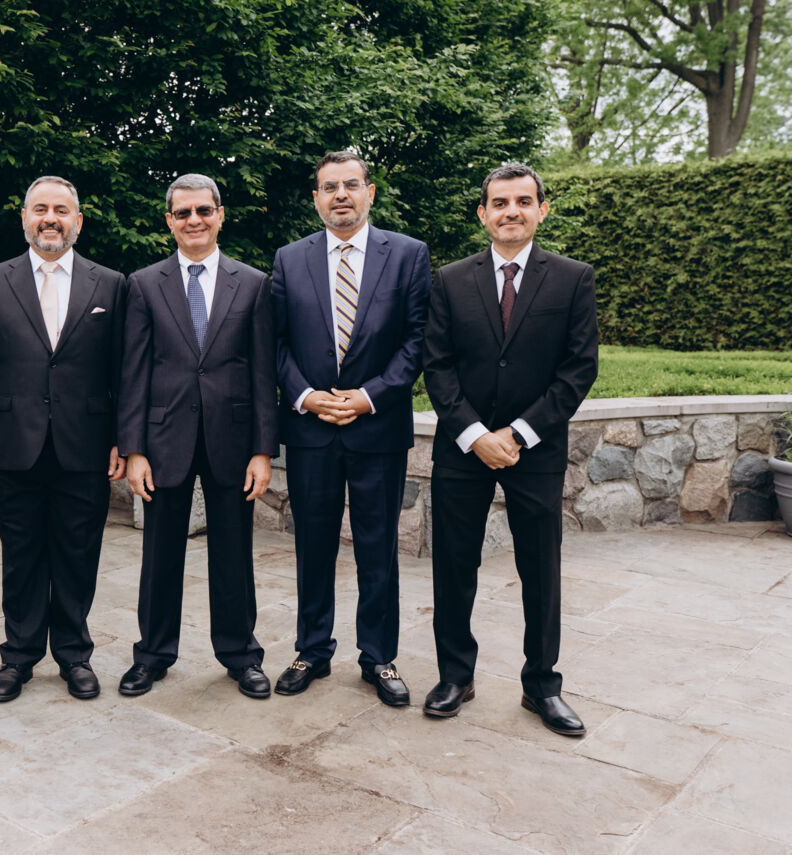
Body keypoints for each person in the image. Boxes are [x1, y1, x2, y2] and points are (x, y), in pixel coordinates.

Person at [422, 162, 598, 736]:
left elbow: (578, 370)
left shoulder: (572, 278)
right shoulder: (450, 279)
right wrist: (475, 434)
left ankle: (542, 685)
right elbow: (437, 366)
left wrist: (518, 433)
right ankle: (455, 676)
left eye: (523, 201)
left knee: (540, 569)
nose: (511, 211)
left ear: (542, 210)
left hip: (535, 452)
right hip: (462, 450)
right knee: (454, 566)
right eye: (499, 203)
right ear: (483, 214)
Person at [0, 176, 127, 702]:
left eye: (61, 210)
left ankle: (75, 656)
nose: (50, 218)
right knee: (21, 556)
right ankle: (19, 657)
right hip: (12, 444)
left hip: (86, 444)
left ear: (78, 220)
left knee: (79, 555)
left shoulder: (110, 284)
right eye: (40, 209)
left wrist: (123, 439)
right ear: (24, 218)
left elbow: (124, 372)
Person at [269, 150, 431, 704]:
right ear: (316, 197)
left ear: (369, 192)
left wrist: (369, 397)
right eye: (329, 186)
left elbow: (417, 339)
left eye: (351, 184)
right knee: (312, 546)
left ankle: (378, 657)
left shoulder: (407, 254)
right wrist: (306, 396)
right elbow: (276, 342)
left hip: (377, 429)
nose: (341, 195)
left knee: (377, 547)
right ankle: (312, 650)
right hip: (311, 431)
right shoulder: (290, 259)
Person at [116, 173, 278, 699]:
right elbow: (133, 372)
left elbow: (262, 373)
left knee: (233, 555)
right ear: (170, 221)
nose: (194, 220)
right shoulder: (143, 284)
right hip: (164, 441)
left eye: (203, 210)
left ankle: (241, 655)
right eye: (183, 212)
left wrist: (262, 450)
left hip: (233, 440)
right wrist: (134, 449)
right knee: (160, 555)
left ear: (220, 215)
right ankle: (152, 656)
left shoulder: (252, 283)